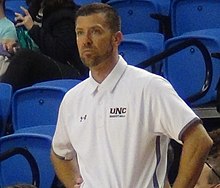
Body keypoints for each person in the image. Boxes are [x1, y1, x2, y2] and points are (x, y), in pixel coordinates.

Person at [51, 3, 213, 188]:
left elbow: (199, 140)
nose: (86, 40)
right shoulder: (72, 99)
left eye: (95, 31)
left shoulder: (149, 87)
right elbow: (59, 153)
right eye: (80, 32)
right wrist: (74, 183)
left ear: (116, 38)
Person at [1, 0, 88, 90]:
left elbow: (61, 52)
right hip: (42, 65)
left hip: (70, 70)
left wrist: (33, 28)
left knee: (25, 57)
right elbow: (31, 42)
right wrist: (15, 45)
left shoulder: (64, 15)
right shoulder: (36, 8)